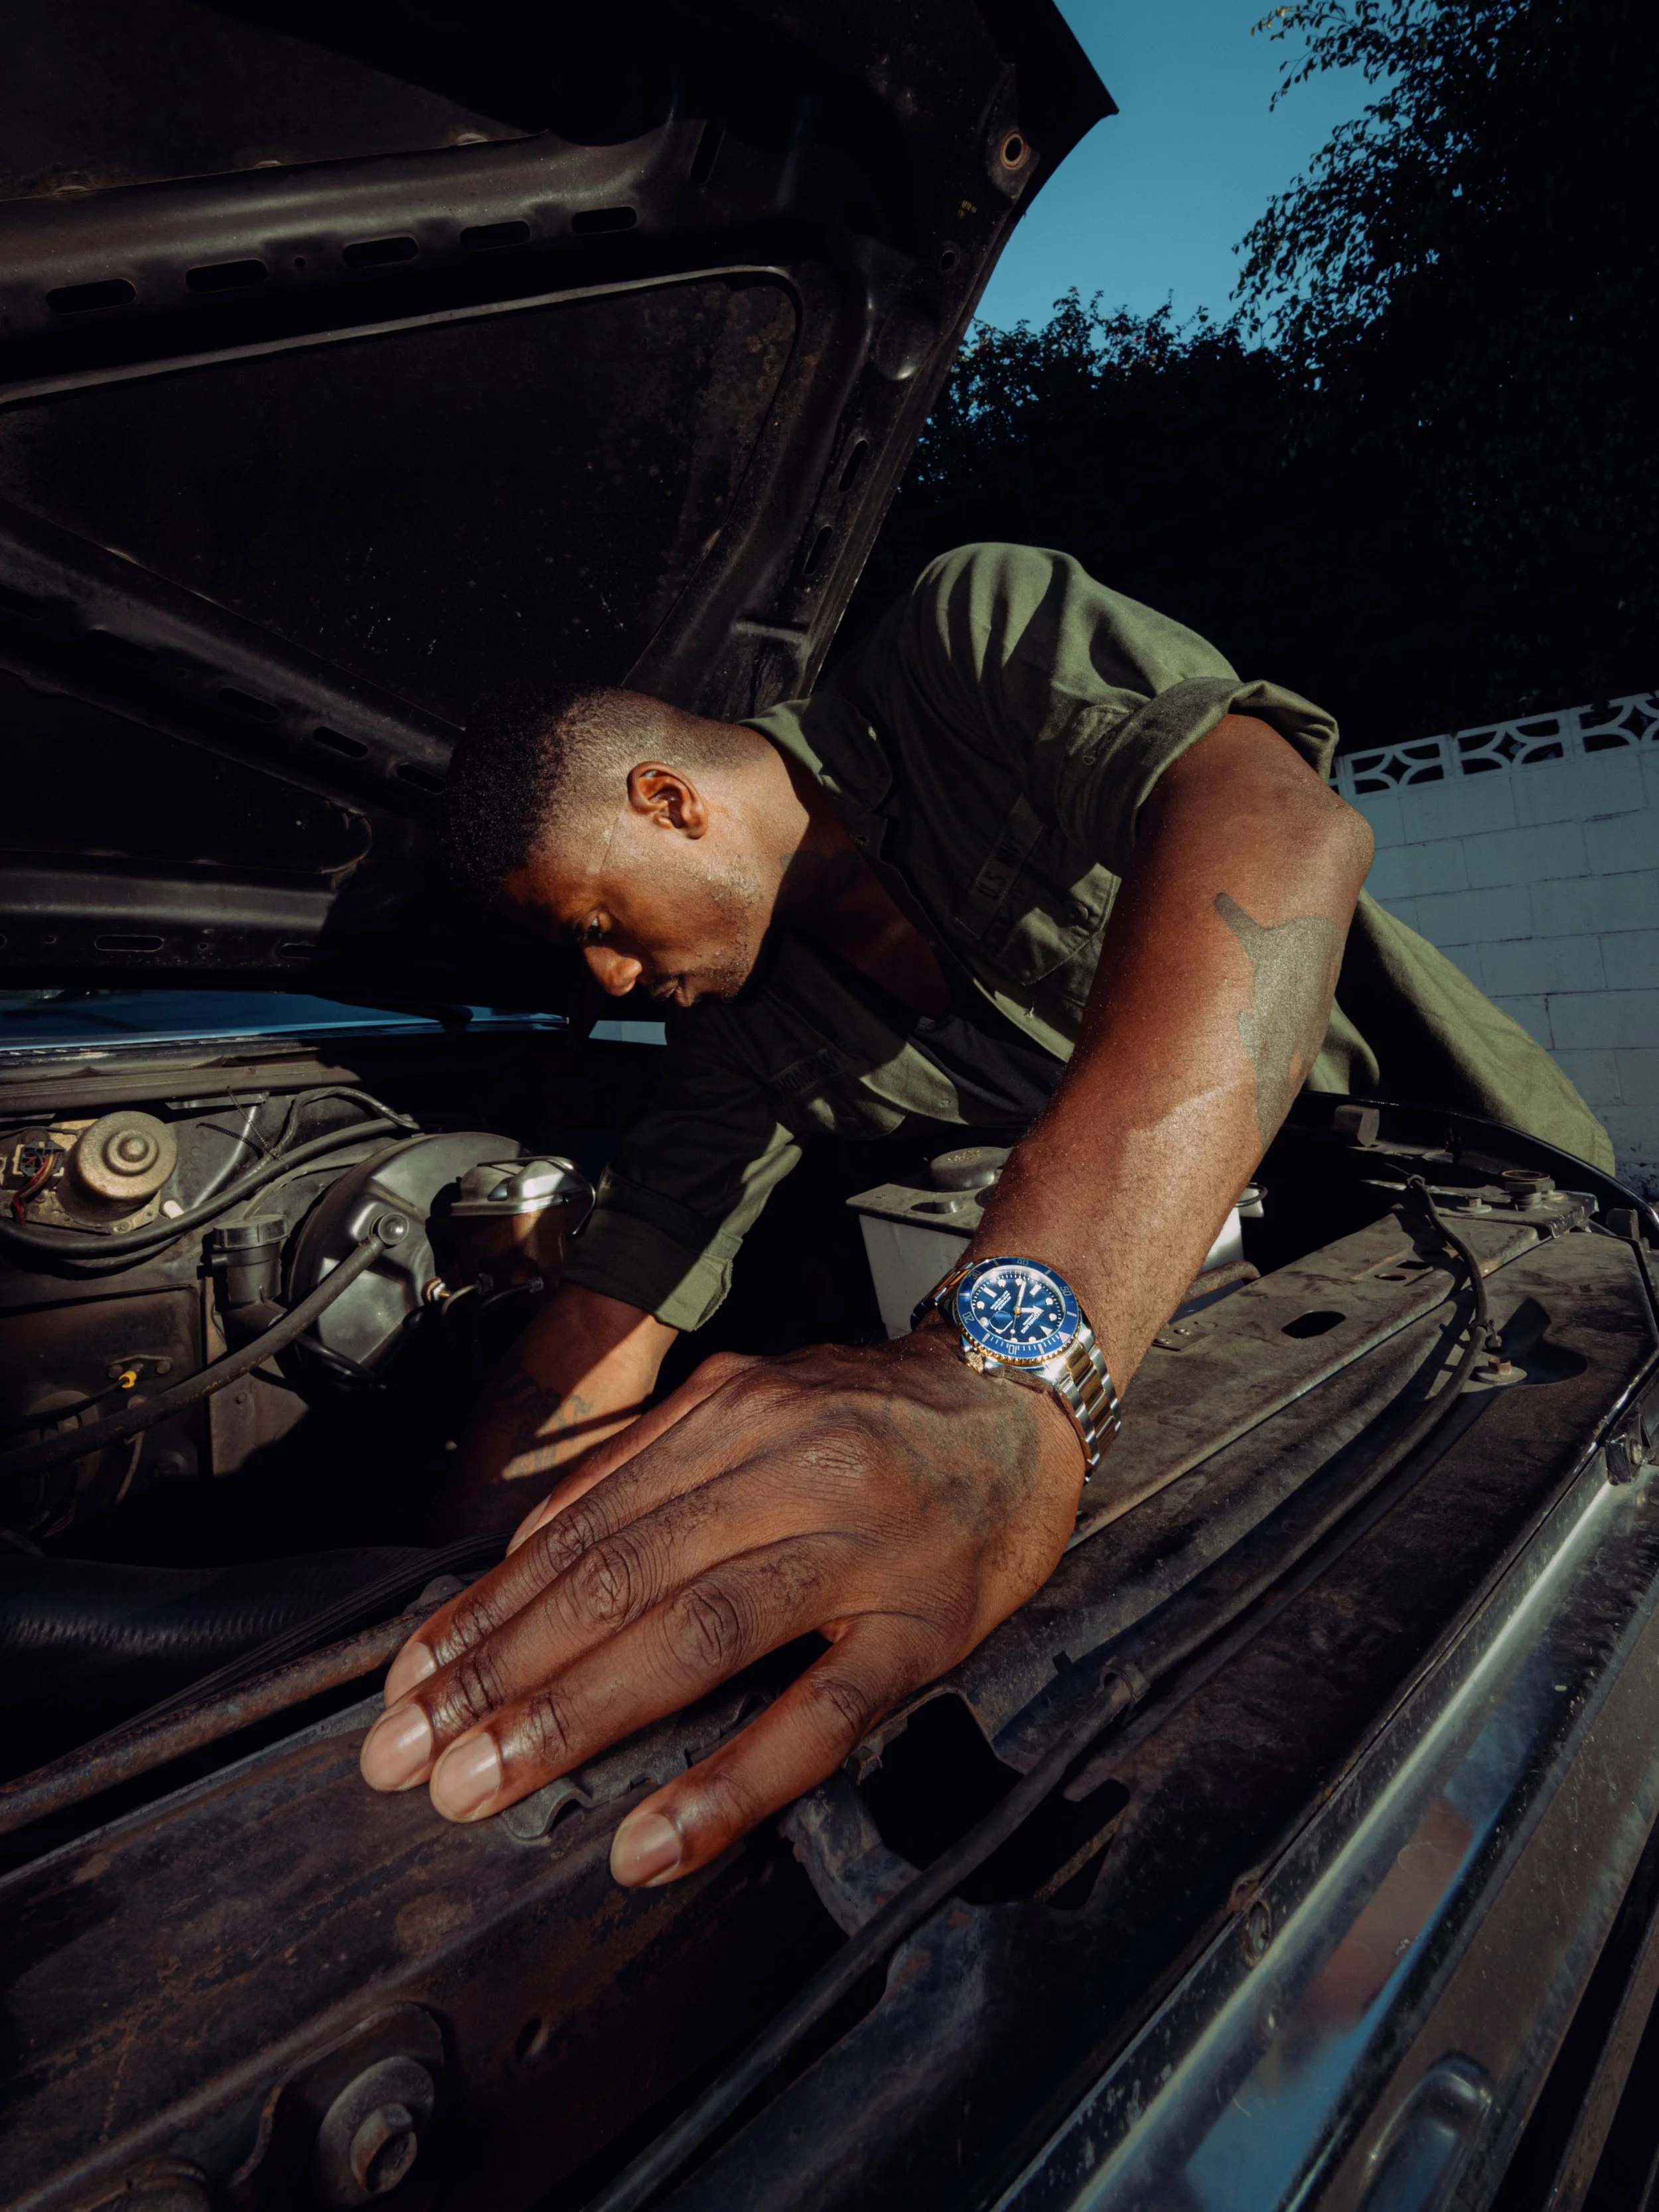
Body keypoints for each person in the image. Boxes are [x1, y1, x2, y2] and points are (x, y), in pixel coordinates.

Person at [358, 542, 1611, 1886]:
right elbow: (593, 1326)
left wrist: (1008, 1376)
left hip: (1484, 1231)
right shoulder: (742, 1041)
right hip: (1220, 1349)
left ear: (670, 801)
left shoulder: (962, 640)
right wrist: (465, 1605)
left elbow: (1276, 822)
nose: (607, 974)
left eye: (598, 917)